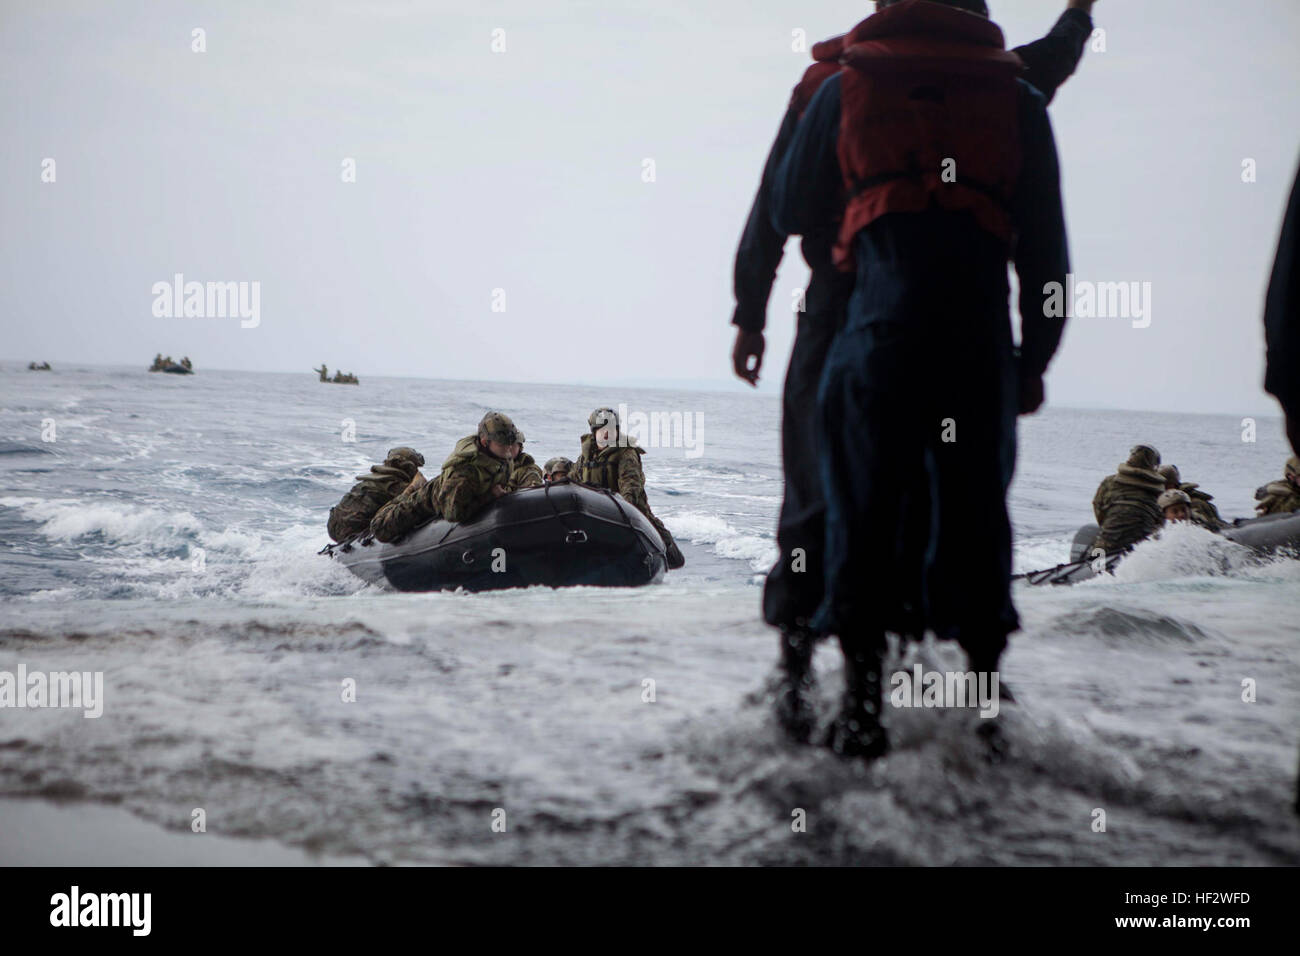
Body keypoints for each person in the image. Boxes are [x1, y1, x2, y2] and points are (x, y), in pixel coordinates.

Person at [732, 0, 1096, 743]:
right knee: (968, 507)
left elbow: (780, 206)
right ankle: (984, 708)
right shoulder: (1006, 92)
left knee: (826, 499)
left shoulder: (837, 83)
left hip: (851, 319)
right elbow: (1049, 256)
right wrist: (1036, 358)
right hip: (973, 330)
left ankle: (825, 691)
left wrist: (751, 311)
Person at [369, 412, 523, 542]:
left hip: (459, 493)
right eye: (503, 443)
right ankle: (412, 488)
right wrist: (490, 496)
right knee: (380, 529)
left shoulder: (503, 457)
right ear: (485, 442)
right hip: (428, 500)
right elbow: (453, 514)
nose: (509, 447)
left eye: (511, 442)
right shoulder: (464, 473)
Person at [571, 407, 685, 569]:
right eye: (602, 430)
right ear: (594, 432)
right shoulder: (586, 456)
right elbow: (572, 479)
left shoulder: (626, 453)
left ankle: (667, 555)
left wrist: (624, 508)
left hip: (624, 510)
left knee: (652, 526)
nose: (606, 434)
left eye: (610, 430)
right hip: (593, 511)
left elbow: (630, 483)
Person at [326, 447, 426, 542]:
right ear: (409, 467)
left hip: (333, 526)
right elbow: (417, 503)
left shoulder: (374, 480)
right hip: (351, 530)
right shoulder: (397, 486)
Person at [1091, 445, 1166, 554]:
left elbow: (1098, 506)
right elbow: (1160, 521)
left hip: (1107, 540)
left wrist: (1108, 526)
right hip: (1141, 547)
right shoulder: (1160, 491)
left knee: (1095, 565)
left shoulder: (1110, 482)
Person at [1158, 464, 1223, 530]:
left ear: (1172, 484)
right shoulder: (1179, 499)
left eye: (1162, 485)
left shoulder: (1193, 503)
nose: (1181, 514)